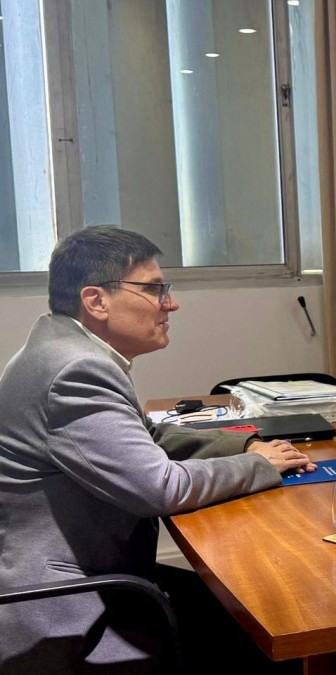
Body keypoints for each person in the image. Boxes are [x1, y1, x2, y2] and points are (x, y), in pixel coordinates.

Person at [0, 226, 317, 674]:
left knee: (255, 603)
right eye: (153, 289)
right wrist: (256, 465)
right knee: (268, 625)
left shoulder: (61, 348)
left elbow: (148, 437)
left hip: (96, 577)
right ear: (96, 301)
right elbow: (160, 488)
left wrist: (246, 442)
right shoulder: (75, 370)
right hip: (68, 607)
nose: (171, 303)